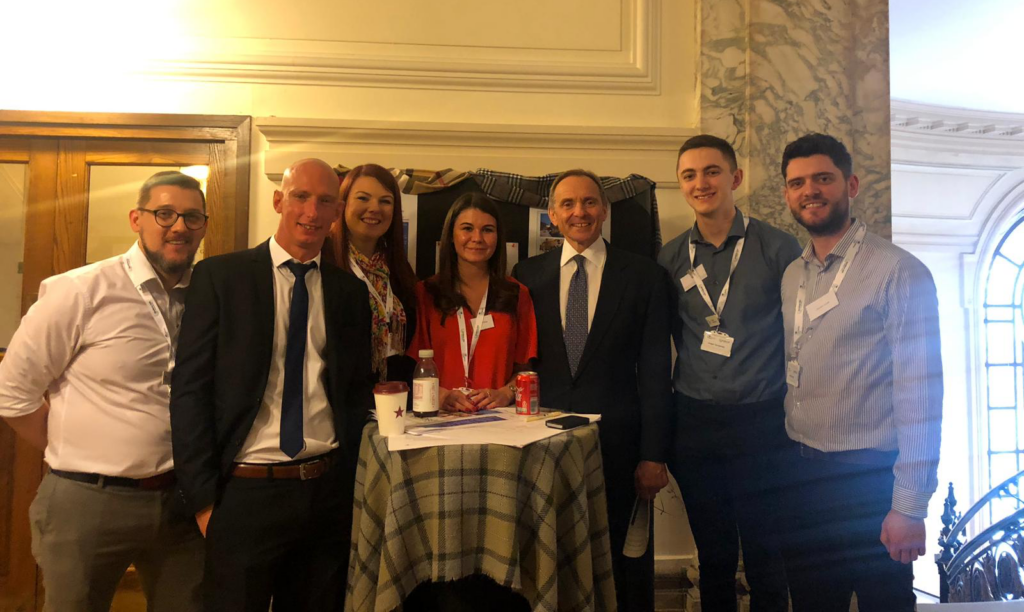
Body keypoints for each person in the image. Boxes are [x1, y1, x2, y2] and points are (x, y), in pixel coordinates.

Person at [170, 158, 374, 611]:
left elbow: (354, 391)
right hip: (244, 491)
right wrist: (204, 501)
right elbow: (190, 392)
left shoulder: (349, 293)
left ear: (337, 212)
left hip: (324, 491)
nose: (312, 211)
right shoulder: (221, 278)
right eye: (301, 196)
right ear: (279, 200)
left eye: (325, 201)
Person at [0, 171, 207, 611]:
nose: (178, 227)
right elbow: (11, 394)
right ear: (137, 218)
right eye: (164, 213)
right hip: (88, 502)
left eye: (192, 217)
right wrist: (70, 450)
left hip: (181, 503)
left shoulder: (207, 296)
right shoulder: (80, 290)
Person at [777, 133, 943, 611]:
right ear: (787, 194)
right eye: (797, 182)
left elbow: (921, 396)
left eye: (823, 178)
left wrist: (909, 506)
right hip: (802, 473)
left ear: (849, 184)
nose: (810, 190)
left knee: (883, 603)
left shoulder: (899, 272)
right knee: (811, 602)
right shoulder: (793, 275)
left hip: (869, 480)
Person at [512, 169, 672, 612]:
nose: (579, 212)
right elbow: (522, 364)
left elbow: (657, 372)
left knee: (626, 562)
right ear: (552, 216)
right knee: (551, 558)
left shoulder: (644, 276)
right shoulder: (526, 276)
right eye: (568, 204)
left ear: (603, 210)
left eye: (588, 203)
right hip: (545, 446)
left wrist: (654, 454)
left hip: (620, 449)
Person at [657, 135, 800, 612]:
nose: (702, 183)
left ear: (735, 178)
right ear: (681, 186)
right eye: (690, 175)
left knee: (766, 552)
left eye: (712, 171)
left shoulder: (779, 248)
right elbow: (665, 341)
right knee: (714, 554)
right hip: (697, 425)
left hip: (764, 423)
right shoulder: (671, 258)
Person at [408, 192, 537, 412]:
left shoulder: (517, 294)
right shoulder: (426, 293)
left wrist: (506, 393)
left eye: (487, 230)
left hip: (500, 421)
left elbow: (526, 370)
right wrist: (442, 395)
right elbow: (414, 368)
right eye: (467, 228)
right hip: (442, 420)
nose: (477, 238)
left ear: (498, 237)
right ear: (451, 235)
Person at [326, 163, 418, 384]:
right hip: (337, 401)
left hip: (391, 400)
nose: (375, 208)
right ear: (343, 204)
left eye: (385, 201)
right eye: (363, 198)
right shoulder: (323, 260)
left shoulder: (398, 267)